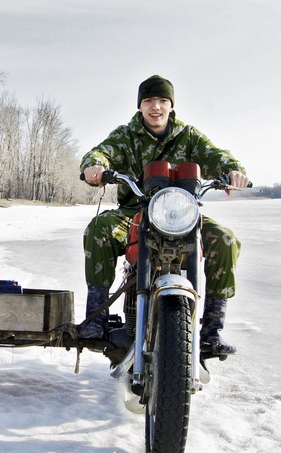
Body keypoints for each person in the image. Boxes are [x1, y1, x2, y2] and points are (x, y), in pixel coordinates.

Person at [79, 74, 249, 355]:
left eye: (161, 101)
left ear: (171, 105)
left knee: (226, 239)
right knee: (99, 228)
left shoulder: (189, 136)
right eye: (148, 101)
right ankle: (95, 320)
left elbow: (216, 155)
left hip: (183, 211)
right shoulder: (126, 136)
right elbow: (101, 152)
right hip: (135, 211)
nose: (155, 107)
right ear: (140, 106)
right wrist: (94, 166)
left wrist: (232, 170)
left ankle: (211, 331)